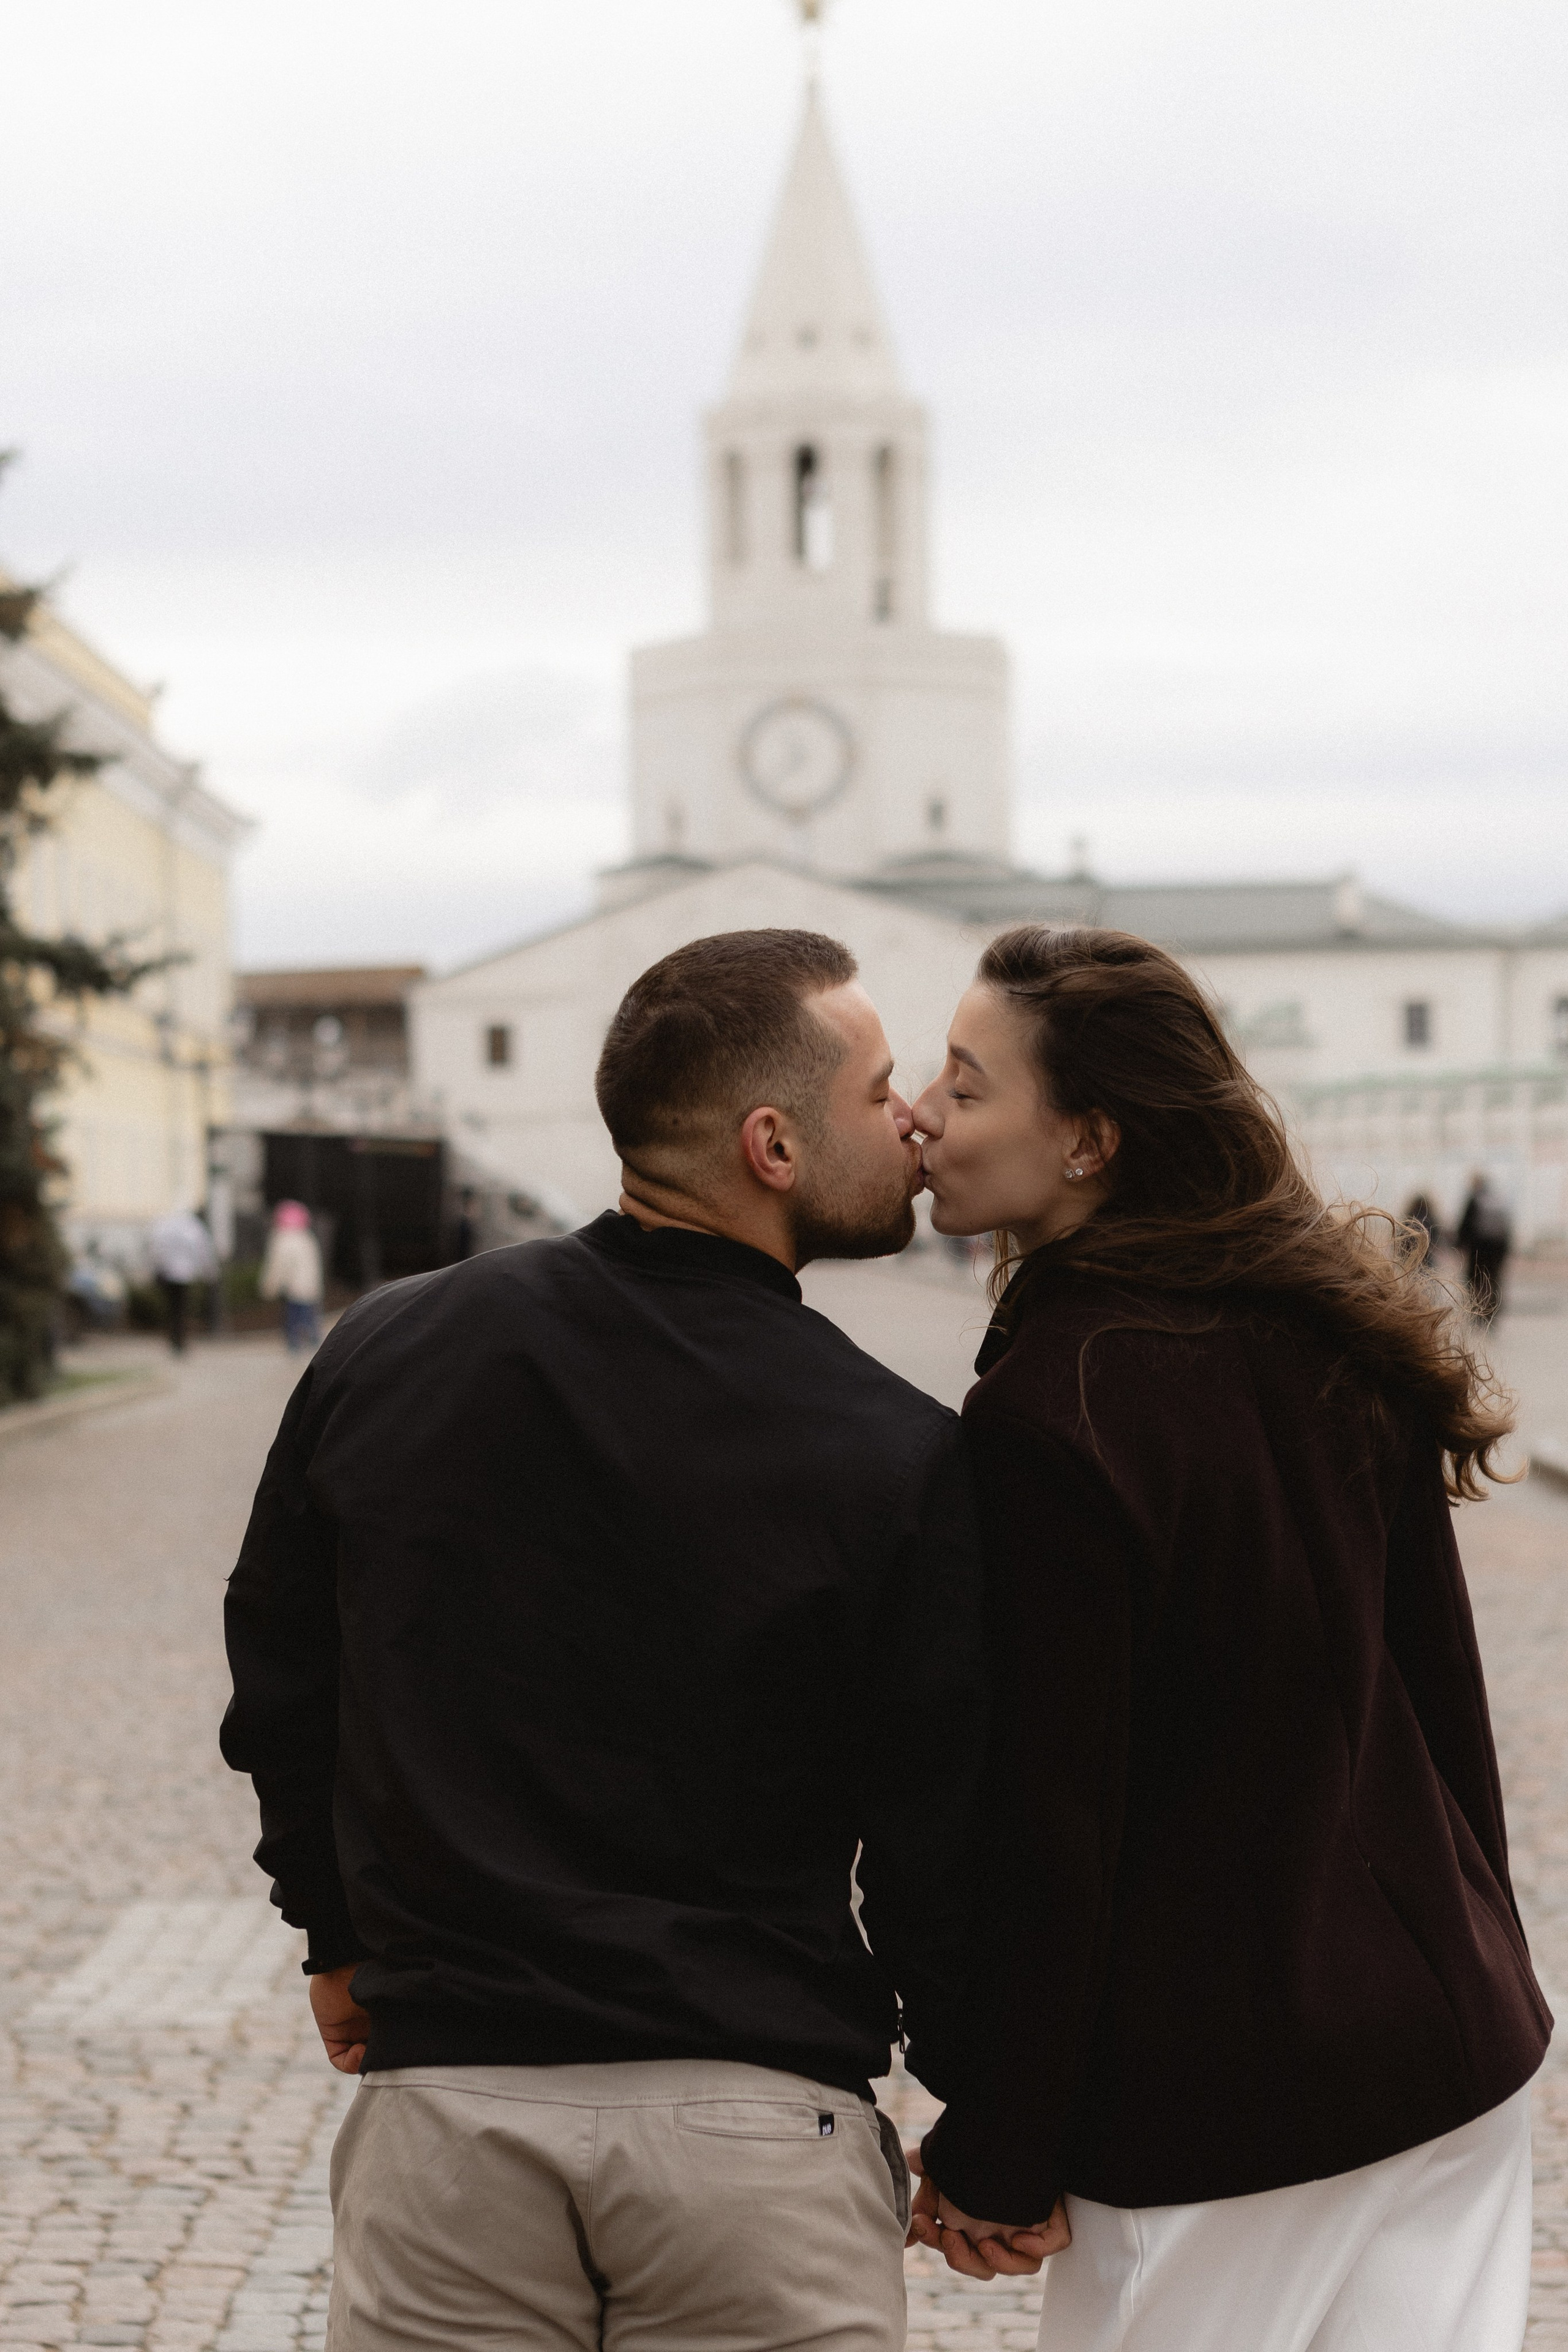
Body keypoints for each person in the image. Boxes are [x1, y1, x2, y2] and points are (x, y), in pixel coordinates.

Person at [221, 930, 1057, 2352]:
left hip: (452, 2125)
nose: (913, 1117)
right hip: (749, 2139)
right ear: (772, 1143)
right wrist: (985, 2120)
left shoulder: (386, 1349)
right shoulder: (893, 1450)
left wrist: (338, 1932)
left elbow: (284, 1670)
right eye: (877, 1091)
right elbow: (939, 1834)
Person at [908, 924, 1550, 2352]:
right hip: (1445, 2052)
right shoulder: (1324, 1329)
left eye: (963, 1083)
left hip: (1220, 2116)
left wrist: (1001, 2140)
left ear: (1085, 1140)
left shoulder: (1054, 1409)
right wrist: (1477, 1953)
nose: (916, 1111)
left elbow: (1053, 1820)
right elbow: (1445, 1720)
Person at [147, 1206, 219, 1354]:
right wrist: (210, 1273)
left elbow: (155, 1249)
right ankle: (180, 1340)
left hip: (167, 1273)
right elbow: (203, 1249)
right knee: (181, 1308)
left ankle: (175, 1339)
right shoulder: (193, 1227)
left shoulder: (163, 1226)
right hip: (185, 1274)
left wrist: (155, 1268)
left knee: (172, 1308)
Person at [259, 1199, 324, 1351]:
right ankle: (314, 1342)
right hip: (309, 1287)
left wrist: (269, 1285)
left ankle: (295, 1345)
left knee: (293, 1319)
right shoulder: (307, 1237)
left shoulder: (282, 1239)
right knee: (310, 1317)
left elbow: (277, 1266)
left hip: (293, 1288)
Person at [1457, 1172, 1512, 1325]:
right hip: (1497, 1252)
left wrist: (1459, 1245)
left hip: (1478, 1251)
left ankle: (1475, 1313)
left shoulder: (1475, 1200)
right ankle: (1491, 1315)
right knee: (1493, 1282)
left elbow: (1465, 1226)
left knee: (1474, 1282)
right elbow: (1507, 1230)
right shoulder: (1498, 1201)